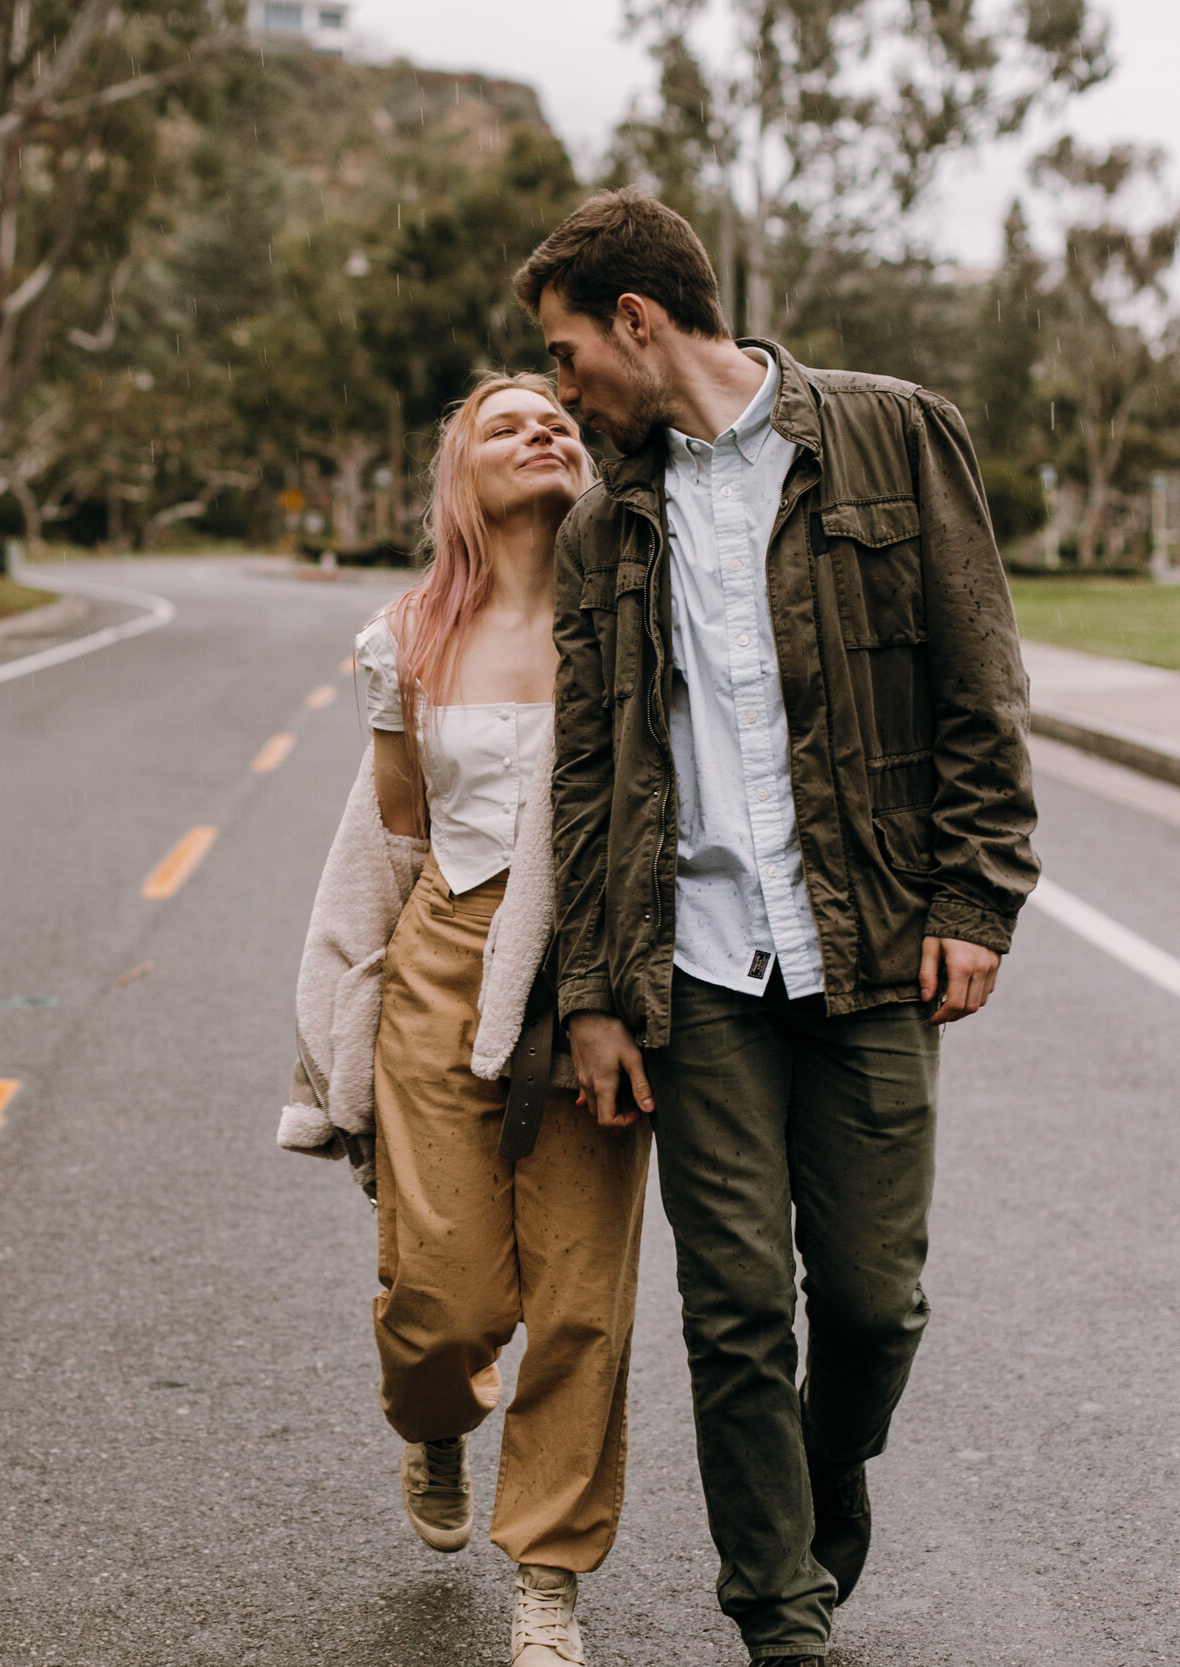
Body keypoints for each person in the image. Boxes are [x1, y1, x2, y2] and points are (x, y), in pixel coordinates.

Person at [514, 190, 1040, 1664]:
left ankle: (822, 1494)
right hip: (699, 969)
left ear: (638, 320)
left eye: (568, 352)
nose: (563, 389)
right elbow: (592, 772)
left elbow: (979, 685)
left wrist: (975, 896)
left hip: (867, 942)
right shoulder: (610, 523)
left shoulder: (892, 433)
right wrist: (597, 997)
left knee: (874, 1306)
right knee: (735, 1305)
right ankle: (779, 1616)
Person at [277, 372, 653, 1667]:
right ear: (461, 476)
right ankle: (434, 1413)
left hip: (595, 979)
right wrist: (340, 1020)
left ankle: (549, 1574)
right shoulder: (408, 637)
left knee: (583, 1300)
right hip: (446, 961)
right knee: (441, 1299)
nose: (542, 427)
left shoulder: (637, 620)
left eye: (557, 417)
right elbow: (392, 831)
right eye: (506, 422)